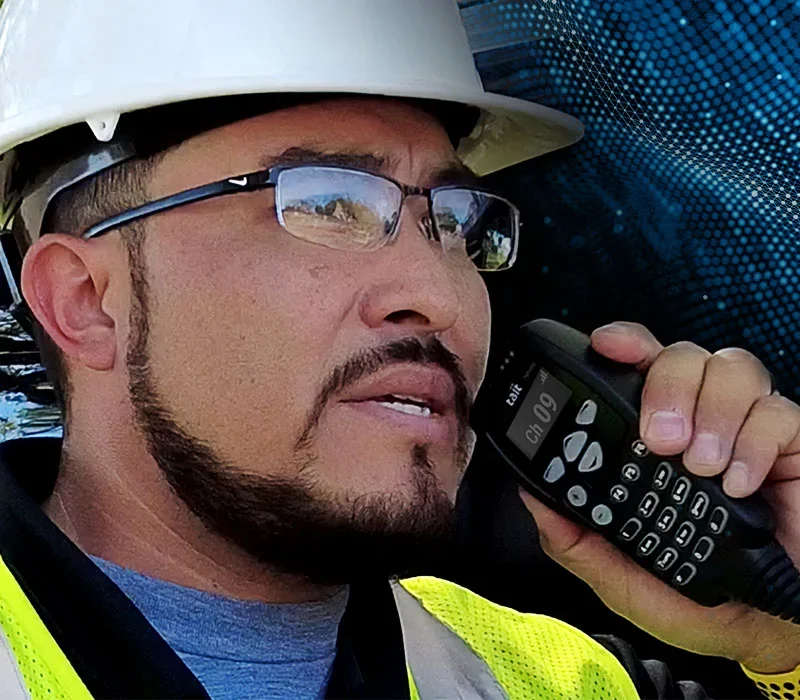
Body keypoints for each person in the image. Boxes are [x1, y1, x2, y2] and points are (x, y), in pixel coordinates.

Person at [0, 1, 798, 698]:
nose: (442, 296)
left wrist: (782, 636)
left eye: (454, 220)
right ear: (86, 301)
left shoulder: (552, 678)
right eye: (326, 202)